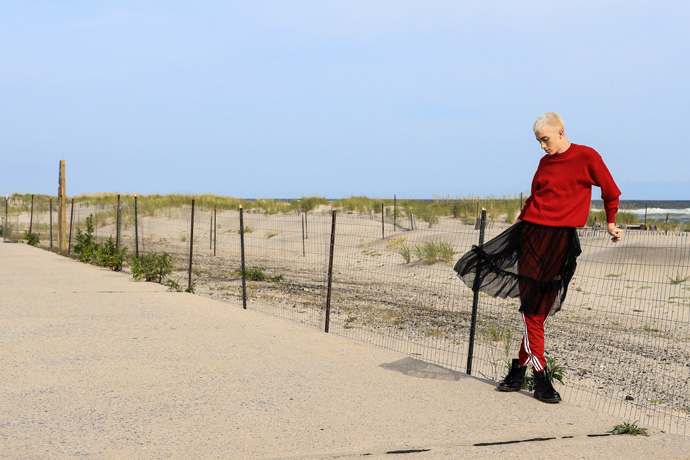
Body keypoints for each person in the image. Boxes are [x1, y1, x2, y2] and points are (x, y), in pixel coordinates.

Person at [454, 112, 622, 403]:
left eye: (545, 139)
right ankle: (541, 377)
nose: (542, 146)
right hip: (531, 235)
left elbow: (610, 190)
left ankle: (518, 370)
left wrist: (611, 223)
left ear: (560, 132)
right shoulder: (544, 163)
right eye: (538, 142)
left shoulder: (587, 157)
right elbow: (534, 196)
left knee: (540, 309)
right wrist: (518, 227)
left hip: (561, 240)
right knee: (531, 306)